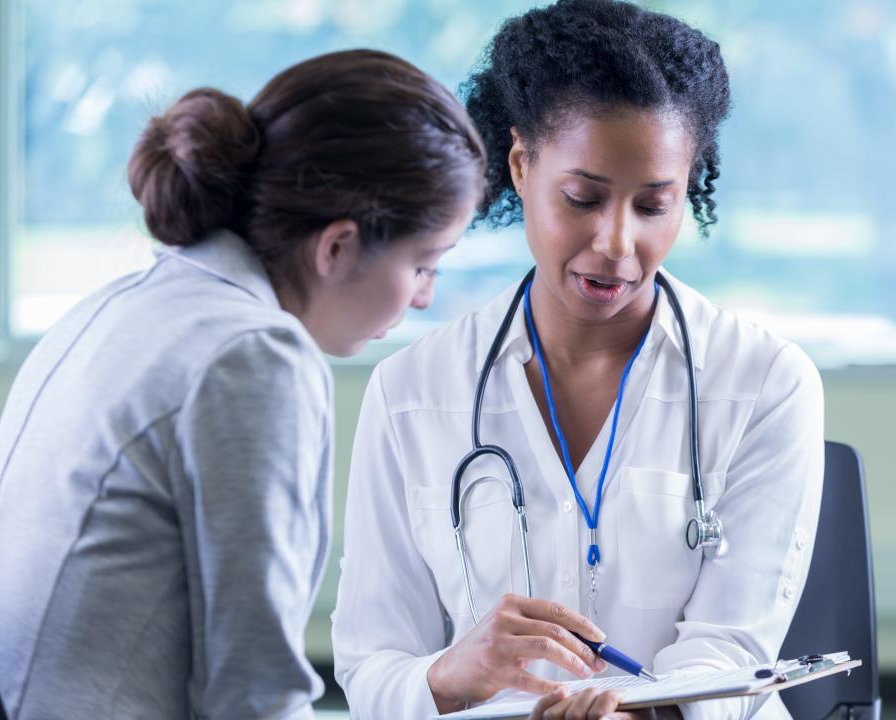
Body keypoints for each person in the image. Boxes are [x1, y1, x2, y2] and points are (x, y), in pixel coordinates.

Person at [331, 3, 824, 719]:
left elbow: (733, 655)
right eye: (582, 198)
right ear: (522, 165)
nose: (616, 244)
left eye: (654, 206)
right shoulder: (412, 392)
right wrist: (450, 674)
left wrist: (649, 712)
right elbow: (373, 665)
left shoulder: (766, 384)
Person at [0, 49, 485, 720]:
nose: (424, 298)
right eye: (425, 264)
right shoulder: (254, 357)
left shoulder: (122, 303)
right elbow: (255, 696)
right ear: (336, 246)